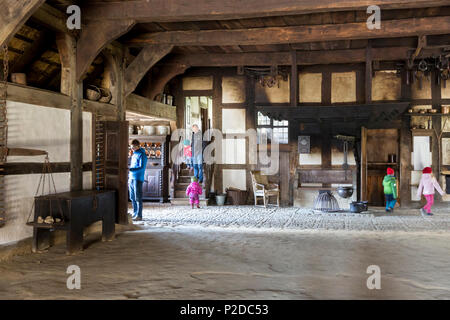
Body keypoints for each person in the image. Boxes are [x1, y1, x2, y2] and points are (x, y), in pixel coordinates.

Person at [129, 139, 147, 221]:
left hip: (138, 178)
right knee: (132, 197)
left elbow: (142, 167)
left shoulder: (142, 154)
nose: (132, 148)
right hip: (131, 178)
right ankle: (135, 213)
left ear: (138, 146)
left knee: (138, 197)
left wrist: (131, 169)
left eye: (133, 147)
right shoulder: (134, 154)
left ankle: (139, 215)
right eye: (131, 147)